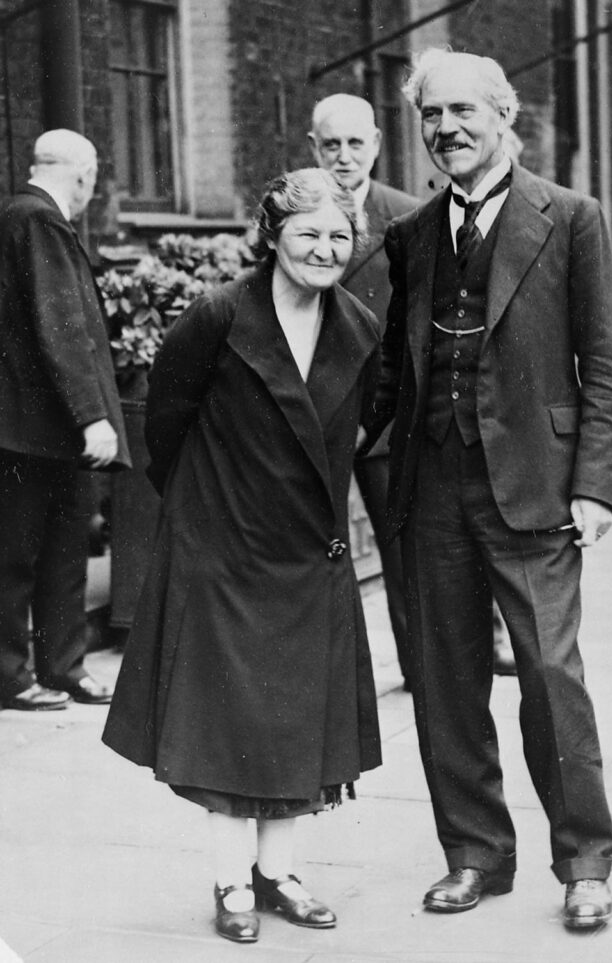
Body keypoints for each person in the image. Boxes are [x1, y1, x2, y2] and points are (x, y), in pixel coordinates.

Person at [362, 49, 612, 929]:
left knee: (551, 674)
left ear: (504, 114)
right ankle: (475, 852)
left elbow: (605, 365)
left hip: (538, 488)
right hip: (432, 486)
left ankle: (585, 860)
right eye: (432, 117)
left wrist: (594, 486)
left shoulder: (573, 217)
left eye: (464, 112)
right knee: (445, 677)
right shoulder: (411, 234)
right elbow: (395, 375)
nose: (447, 130)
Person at [102, 169, 382, 943]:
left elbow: (368, 418)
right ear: (273, 235)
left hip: (304, 552)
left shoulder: (358, 325)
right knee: (228, 719)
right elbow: (167, 418)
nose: (325, 249)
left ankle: (280, 873)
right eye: (308, 234)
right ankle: (231, 883)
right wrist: (203, 510)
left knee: (295, 718)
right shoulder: (220, 315)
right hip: (222, 544)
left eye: (338, 236)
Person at [0, 129, 130, 711]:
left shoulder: (23, 216)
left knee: (62, 548)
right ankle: (15, 674)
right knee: (21, 555)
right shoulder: (39, 221)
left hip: (42, 427)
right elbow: (62, 327)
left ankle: (61, 667)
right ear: (84, 176)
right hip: (34, 427)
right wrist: (92, 417)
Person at [309, 93, 419, 688]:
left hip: (382, 417)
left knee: (401, 550)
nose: (345, 157)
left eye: (356, 143)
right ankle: (326, 678)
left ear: (376, 144)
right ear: (314, 148)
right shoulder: (291, 213)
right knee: (311, 547)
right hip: (314, 414)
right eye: (332, 145)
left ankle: (419, 670)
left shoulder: (407, 218)